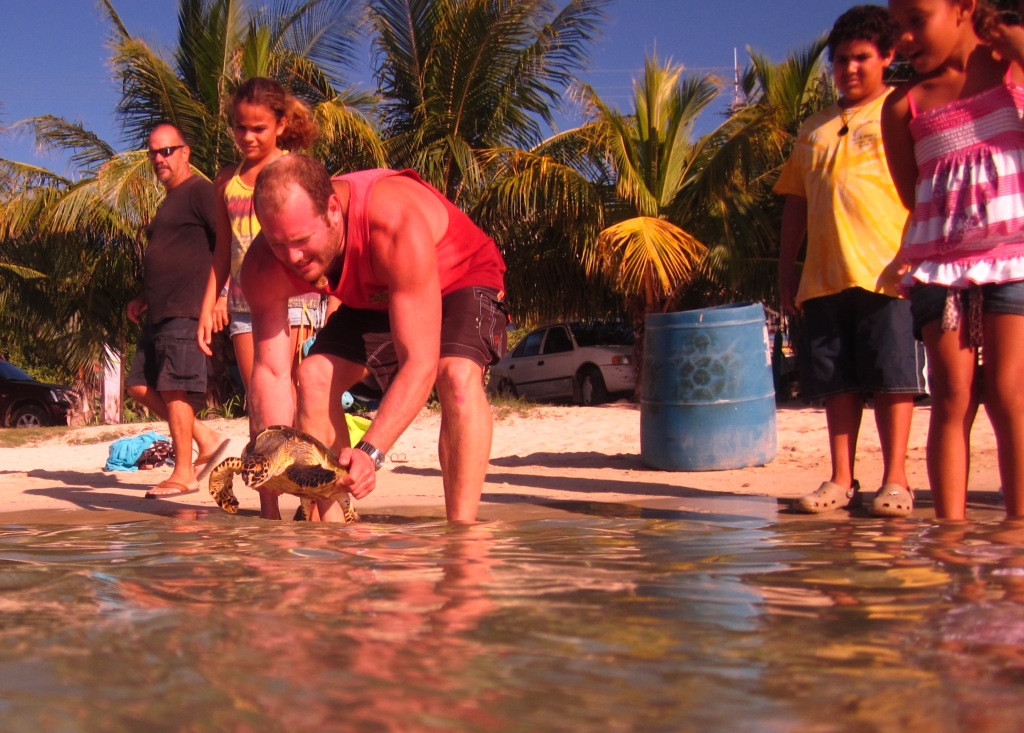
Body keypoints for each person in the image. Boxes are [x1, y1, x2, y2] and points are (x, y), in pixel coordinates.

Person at [241, 155, 508, 523]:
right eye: (277, 244)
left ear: (333, 209)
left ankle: (462, 535)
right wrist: (269, 506)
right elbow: (270, 373)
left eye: (302, 241)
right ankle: (336, 536)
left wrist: (371, 451)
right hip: (379, 292)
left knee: (456, 375)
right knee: (315, 375)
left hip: (460, 276)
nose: (292, 258)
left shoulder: (392, 222)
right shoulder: (264, 265)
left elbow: (420, 363)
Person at [775, 5, 927, 517]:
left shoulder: (903, 110)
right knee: (835, 383)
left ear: (887, 57)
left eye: (862, 57)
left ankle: (897, 482)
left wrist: (920, 252)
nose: (851, 69)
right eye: (841, 60)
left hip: (889, 271)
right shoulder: (813, 129)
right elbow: (795, 204)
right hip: (822, 277)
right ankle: (841, 479)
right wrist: (785, 272)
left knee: (891, 379)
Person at [882, 0, 1024, 519]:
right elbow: (911, 190)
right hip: (938, 267)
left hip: (1014, 256)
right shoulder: (902, 106)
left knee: (1011, 392)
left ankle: (1017, 530)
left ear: (965, 8)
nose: (904, 39)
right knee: (950, 396)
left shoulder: (1011, 71)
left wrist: (1005, 31)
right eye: (896, 28)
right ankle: (950, 533)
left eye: (917, 21)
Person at [198, 77, 323, 396]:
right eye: (241, 128)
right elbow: (223, 250)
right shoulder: (227, 181)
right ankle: (264, 449)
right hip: (244, 304)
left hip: (295, 300)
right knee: (259, 398)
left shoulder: (297, 171)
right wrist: (207, 306)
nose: (248, 137)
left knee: (295, 396)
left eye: (259, 129)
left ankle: (305, 449)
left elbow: (324, 236)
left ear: (280, 125)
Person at [125, 123, 230, 498]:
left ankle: (183, 473)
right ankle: (206, 437)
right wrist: (145, 296)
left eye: (166, 151)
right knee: (139, 386)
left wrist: (222, 297)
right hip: (160, 310)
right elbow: (176, 254)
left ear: (185, 152)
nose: (159, 158)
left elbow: (227, 244)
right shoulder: (170, 201)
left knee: (175, 388)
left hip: (188, 308)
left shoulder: (200, 192)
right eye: (153, 152)